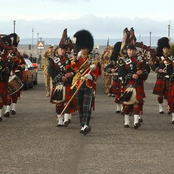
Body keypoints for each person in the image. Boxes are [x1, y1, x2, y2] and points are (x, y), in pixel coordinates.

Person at [71, 29, 101, 135]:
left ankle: (85, 125)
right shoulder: (77, 60)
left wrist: (91, 76)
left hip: (88, 85)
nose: (83, 50)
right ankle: (82, 124)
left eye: (84, 48)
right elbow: (73, 66)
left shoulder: (92, 61)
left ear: (88, 50)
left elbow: (97, 72)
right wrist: (77, 58)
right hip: (79, 84)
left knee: (86, 106)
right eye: (81, 48)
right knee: (80, 106)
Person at [48, 29, 78, 127]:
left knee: (67, 102)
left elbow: (74, 70)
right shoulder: (52, 60)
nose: (62, 51)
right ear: (57, 50)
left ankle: (66, 120)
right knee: (59, 104)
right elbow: (50, 71)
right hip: (58, 84)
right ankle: (60, 120)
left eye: (64, 50)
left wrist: (70, 74)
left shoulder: (69, 60)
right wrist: (60, 76)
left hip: (68, 84)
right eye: (60, 49)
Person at [118, 44, 149, 129]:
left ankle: (136, 122)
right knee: (127, 104)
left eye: (133, 50)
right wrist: (131, 76)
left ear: (135, 51)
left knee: (137, 103)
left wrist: (141, 72)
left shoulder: (139, 60)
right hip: (127, 84)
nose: (131, 52)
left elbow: (146, 71)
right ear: (127, 51)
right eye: (130, 50)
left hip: (137, 84)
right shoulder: (122, 60)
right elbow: (120, 72)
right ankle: (127, 121)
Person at [152, 37, 172, 114]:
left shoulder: (171, 58)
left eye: (167, 48)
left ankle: (169, 107)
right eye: (164, 48)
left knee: (169, 94)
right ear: (162, 49)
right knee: (160, 94)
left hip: (169, 77)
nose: (166, 50)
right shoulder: (158, 58)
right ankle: (160, 107)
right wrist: (158, 70)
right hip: (161, 77)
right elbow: (153, 67)